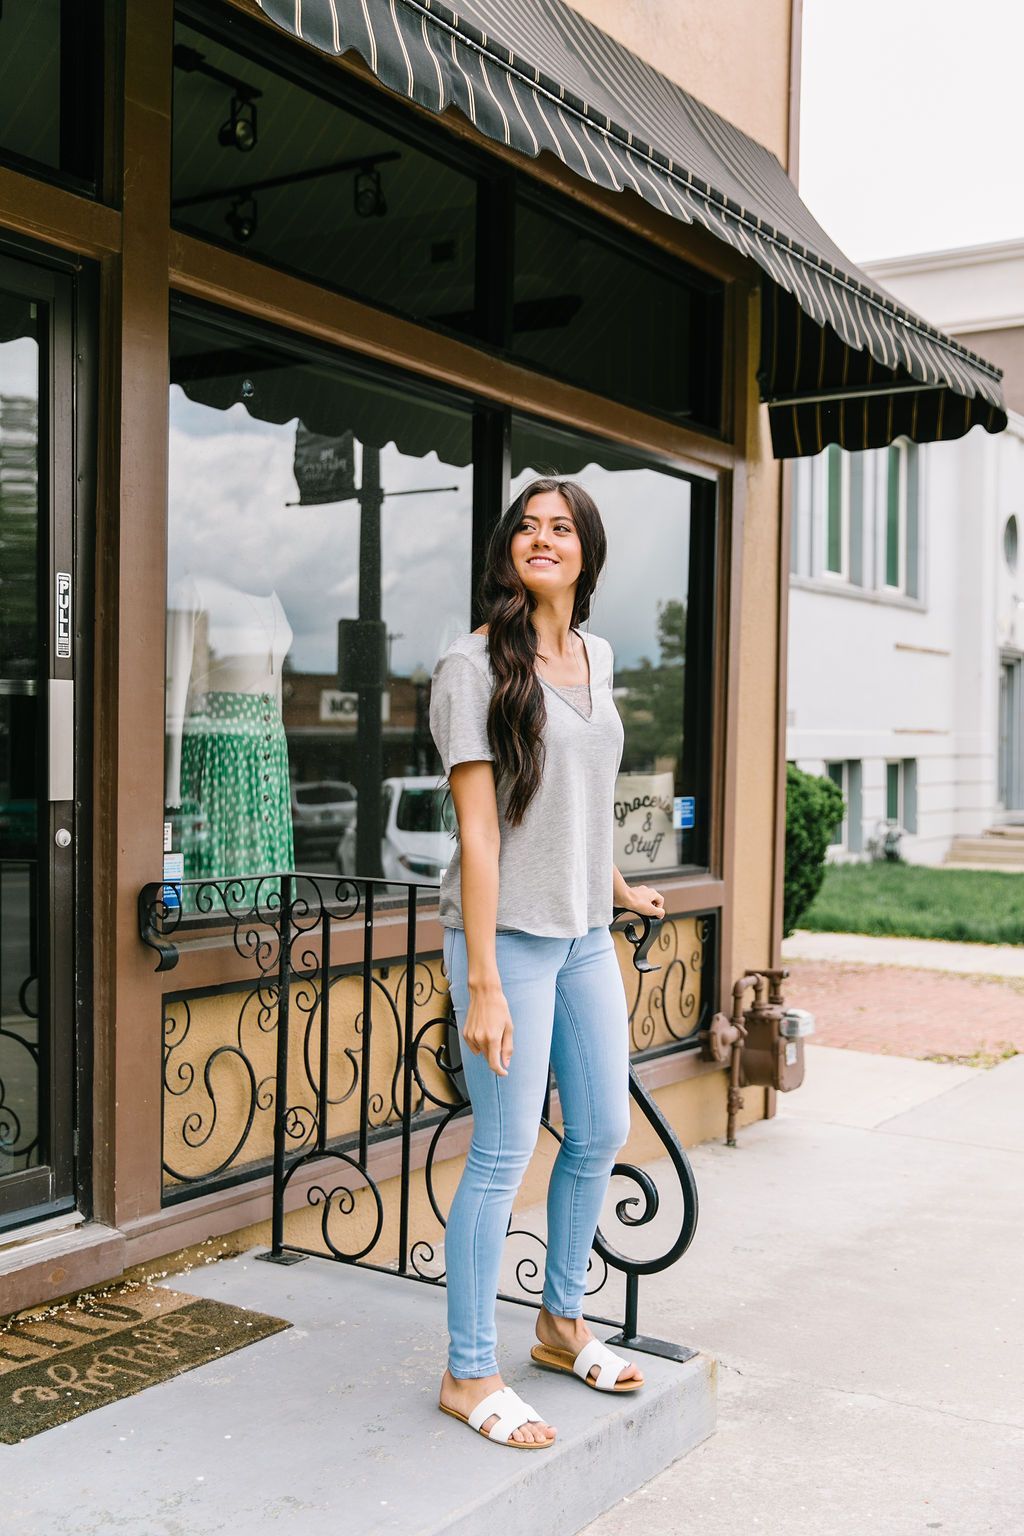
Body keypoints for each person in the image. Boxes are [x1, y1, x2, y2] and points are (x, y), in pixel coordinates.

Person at [429, 477, 665, 1450]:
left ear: (586, 552)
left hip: (579, 936)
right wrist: (482, 981)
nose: (542, 538)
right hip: (505, 943)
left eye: (561, 527)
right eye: (526, 527)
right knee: (499, 1152)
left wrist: (611, 885)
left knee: (601, 1126)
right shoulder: (471, 665)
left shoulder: (597, 656)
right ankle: (467, 1368)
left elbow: (574, 792)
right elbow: (480, 835)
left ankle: (562, 1326)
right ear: (506, 552)